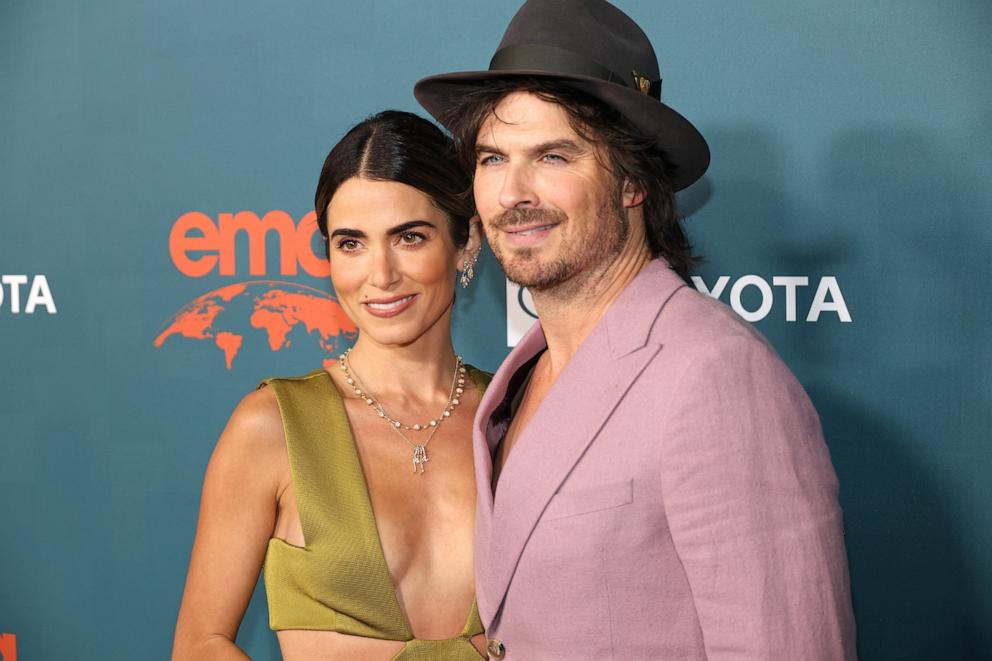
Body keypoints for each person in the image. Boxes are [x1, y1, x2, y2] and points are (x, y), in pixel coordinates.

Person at [414, 1, 857, 659]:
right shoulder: (521, 374)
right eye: (492, 159)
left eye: (554, 156)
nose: (513, 192)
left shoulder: (717, 373)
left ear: (632, 181)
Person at [171, 110, 489, 660]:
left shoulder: (516, 415)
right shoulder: (272, 426)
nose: (380, 274)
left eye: (409, 237)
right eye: (350, 243)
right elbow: (201, 645)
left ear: (466, 244)